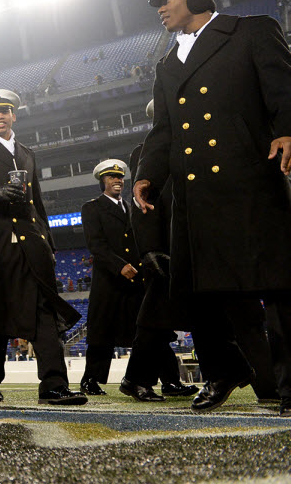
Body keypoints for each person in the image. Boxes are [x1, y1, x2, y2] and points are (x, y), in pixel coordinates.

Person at [134, 0, 291, 417]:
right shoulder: (166, 64)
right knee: (202, 291)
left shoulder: (251, 31)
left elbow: (285, 88)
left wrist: (286, 130)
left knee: (277, 287)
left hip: (249, 179)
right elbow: (163, 130)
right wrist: (148, 174)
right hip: (193, 193)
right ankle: (222, 371)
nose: (160, 7)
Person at [0, 89, 86, 405]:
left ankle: (53, 385)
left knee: (44, 312)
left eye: (5, 111)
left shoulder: (27, 152)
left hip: (32, 245)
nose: (0, 115)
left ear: (13, 115)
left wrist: (48, 244)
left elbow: (37, 203)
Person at [121, 107, 200, 402]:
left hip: (198, 239)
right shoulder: (145, 152)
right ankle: (137, 379)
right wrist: (150, 248)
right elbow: (143, 206)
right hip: (168, 244)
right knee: (156, 315)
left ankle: (153, 379)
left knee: (172, 316)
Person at [79, 159, 145, 396]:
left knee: (144, 331)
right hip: (108, 280)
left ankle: (160, 379)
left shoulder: (131, 207)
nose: (117, 180)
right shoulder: (92, 208)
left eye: (120, 177)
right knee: (101, 335)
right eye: (111, 177)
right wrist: (120, 266)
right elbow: (96, 245)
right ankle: (90, 380)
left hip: (134, 280)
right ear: (102, 181)